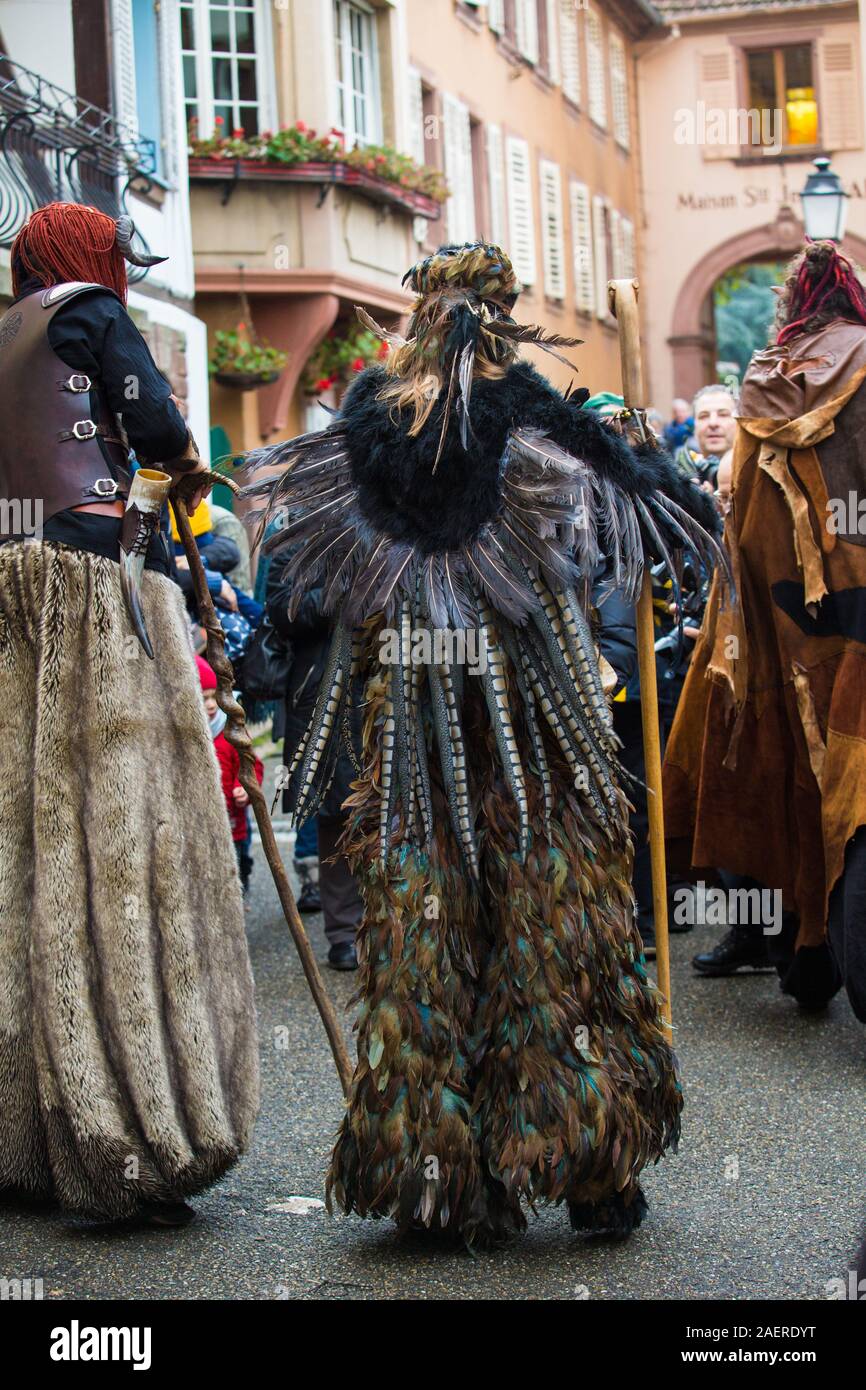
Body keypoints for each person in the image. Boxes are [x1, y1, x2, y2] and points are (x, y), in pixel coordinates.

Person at [245, 241, 723, 1246]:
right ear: (504, 314)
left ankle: (437, 1180)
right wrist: (632, 443)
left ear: (416, 313)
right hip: (534, 714)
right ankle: (589, 1169)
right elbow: (670, 505)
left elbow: (300, 548)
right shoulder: (523, 401)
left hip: (416, 724)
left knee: (427, 928)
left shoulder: (370, 411)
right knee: (556, 924)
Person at [0, 202, 258, 1227]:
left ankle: (23, 1125)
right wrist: (158, 494)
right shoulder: (92, 312)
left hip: (12, 588)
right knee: (116, 834)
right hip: (93, 584)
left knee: (28, 836)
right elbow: (159, 428)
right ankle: (129, 1129)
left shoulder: (6, 331)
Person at [664, 239, 866, 1017]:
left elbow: (742, 518)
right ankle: (816, 952)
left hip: (777, 618)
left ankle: (804, 960)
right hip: (855, 614)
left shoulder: (761, 384)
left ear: (794, 308)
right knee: (846, 781)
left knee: (780, 769)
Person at [265, 549, 364, 971]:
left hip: (382, 693)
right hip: (321, 699)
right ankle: (344, 934)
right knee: (334, 818)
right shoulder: (295, 540)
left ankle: (391, 929)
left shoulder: (386, 523)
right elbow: (282, 610)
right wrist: (342, 591)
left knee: (390, 817)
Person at [198, 655, 264, 895]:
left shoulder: (231, 730)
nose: (210, 704)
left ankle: (240, 894)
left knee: (238, 862)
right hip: (205, 821)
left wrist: (244, 787)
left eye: (212, 695)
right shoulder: (191, 738)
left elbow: (252, 766)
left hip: (235, 821)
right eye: (202, 698)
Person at [674, 385, 737, 488]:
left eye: (723, 415)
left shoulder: (757, 475)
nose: (713, 423)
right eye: (704, 416)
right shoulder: (677, 478)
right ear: (694, 426)